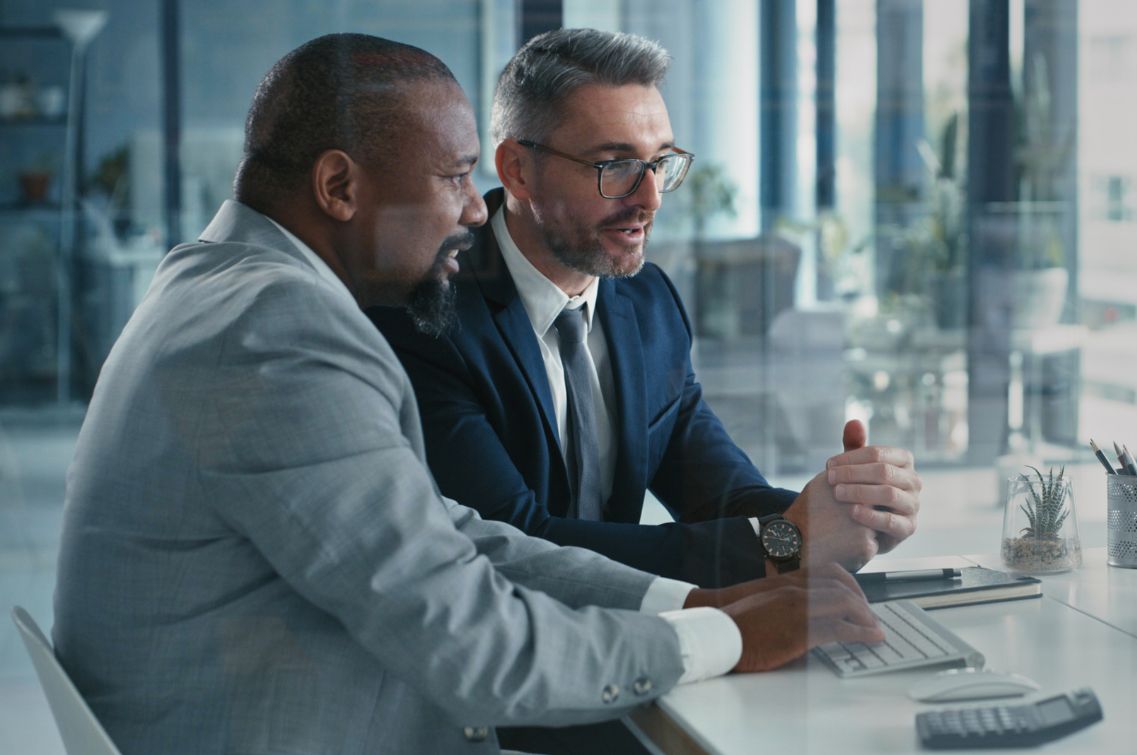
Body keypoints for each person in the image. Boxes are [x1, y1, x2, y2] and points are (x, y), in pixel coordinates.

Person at [52, 33, 881, 755]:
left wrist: (731, 581)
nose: (471, 211)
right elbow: (477, 633)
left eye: (659, 164)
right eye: (454, 177)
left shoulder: (228, 288)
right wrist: (724, 630)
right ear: (340, 188)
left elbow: (456, 538)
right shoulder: (289, 330)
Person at [369, 27, 923, 590]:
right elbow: (517, 543)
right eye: (614, 167)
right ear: (517, 169)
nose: (650, 198)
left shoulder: (647, 301)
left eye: (659, 163)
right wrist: (792, 544)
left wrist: (847, 513)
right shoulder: (428, 310)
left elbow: (721, 495)